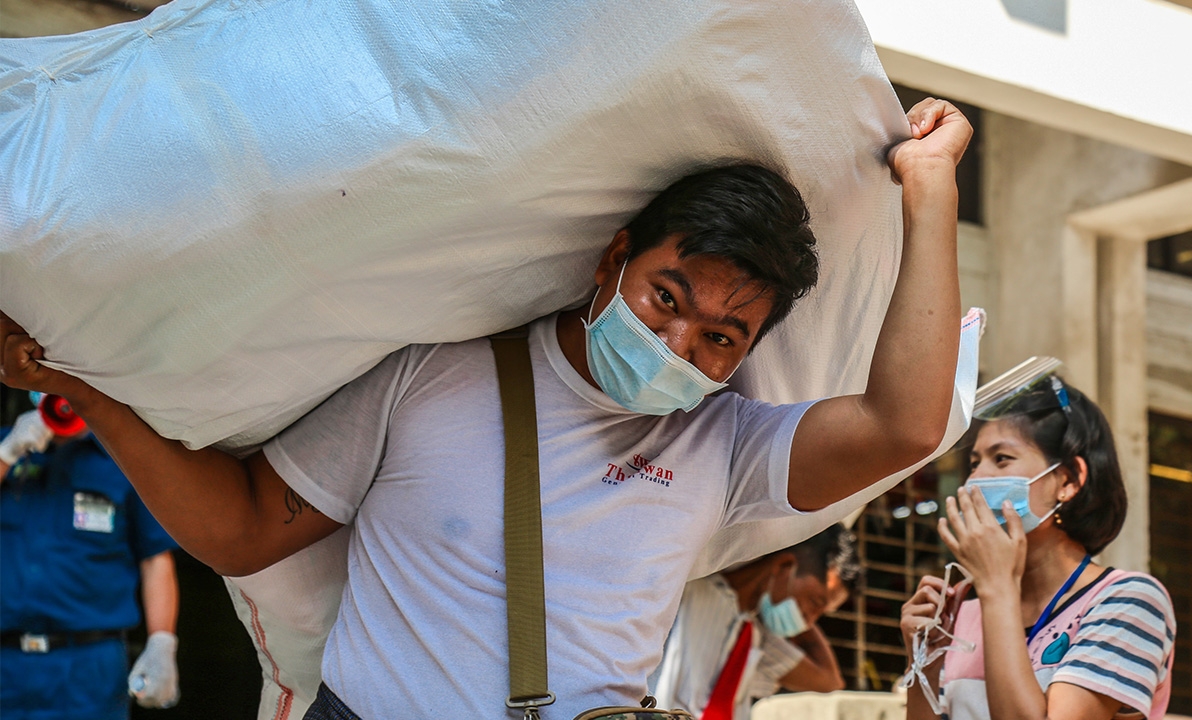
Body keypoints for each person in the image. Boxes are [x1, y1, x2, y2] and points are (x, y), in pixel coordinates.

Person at [1, 97, 971, 718]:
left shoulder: (723, 440)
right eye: (665, 298)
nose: (679, 344)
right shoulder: (436, 370)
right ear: (611, 260)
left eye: (720, 337)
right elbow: (248, 527)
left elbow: (905, 425)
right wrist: (88, 388)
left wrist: (930, 193)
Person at [899, 377, 1176, 720]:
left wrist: (998, 587)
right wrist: (923, 662)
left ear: (1069, 480)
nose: (975, 481)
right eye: (974, 463)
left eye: (1001, 459)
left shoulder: (1128, 600)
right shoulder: (962, 611)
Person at [0, 404, 181, 719]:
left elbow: (155, 560)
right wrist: (5, 454)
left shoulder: (124, 459)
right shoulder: (7, 443)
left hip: (89, 664)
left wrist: (161, 642)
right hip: (6, 660)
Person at [650, 525, 852, 720]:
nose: (809, 622)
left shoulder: (753, 636)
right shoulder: (689, 586)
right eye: (815, 602)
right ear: (784, 566)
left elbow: (829, 680)